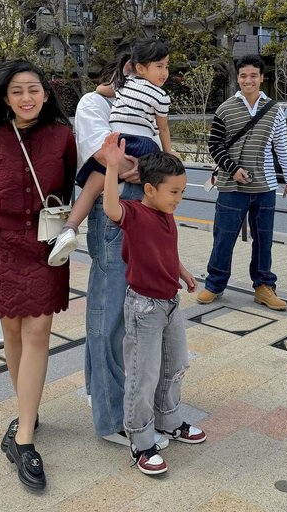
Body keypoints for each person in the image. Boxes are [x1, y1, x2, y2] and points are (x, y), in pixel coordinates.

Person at [0, 59, 77, 491]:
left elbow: (70, 185)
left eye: (33, 89)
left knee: (37, 334)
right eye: (17, 91)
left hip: (44, 244)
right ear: (5, 97)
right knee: (12, 333)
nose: (27, 98)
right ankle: (27, 410)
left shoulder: (63, 137)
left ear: (46, 94)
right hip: (2, 242)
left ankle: (25, 437)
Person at [73, 51, 169, 451]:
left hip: (137, 212)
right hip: (114, 213)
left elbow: (152, 163)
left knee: (117, 311)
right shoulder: (95, 104)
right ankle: (113, 417)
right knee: (109, 315)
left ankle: (102, 395)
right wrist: (144, 165)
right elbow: (112, 160)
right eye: (148, 68)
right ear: (130, 68)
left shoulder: (138, 104)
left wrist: (145, 165)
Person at [102, 133, 207, 475]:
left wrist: (184, 272)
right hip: (144, 308)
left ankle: (169, 420)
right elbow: (110, 207)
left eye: (182, 192)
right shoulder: (134, 213)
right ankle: (141, 439)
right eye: (174, 192)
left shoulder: (166, 215)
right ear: (150, 190)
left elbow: (166, 252)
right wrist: (112, 168)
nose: (179, 198)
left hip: (170, 303)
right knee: (143, 375)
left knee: (175, 364)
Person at [48, 38, 173, 267]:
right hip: (118, 198)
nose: (164, 73)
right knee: (110, 277)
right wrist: (156, 165)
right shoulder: (95, 102)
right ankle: (68, 230)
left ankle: (69, 228)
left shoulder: (145, 97)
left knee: (94, 182)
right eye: (159, 66)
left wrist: (151, 168)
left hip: (139, 192)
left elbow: (152, 150)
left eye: (166, 67)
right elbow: (107, 156)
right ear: (134, 68)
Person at [197, 54, 287, 310]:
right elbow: (215, 146)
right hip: (232, 187)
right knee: (224, 237)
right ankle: (214, 284)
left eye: (254, 75)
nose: (248, 80)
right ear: (238, 78)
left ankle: (264, 286)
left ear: (262, 78)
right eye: (243, 76)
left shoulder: (275, 110)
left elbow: (282, 148)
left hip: (265, 187)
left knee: (264, 239)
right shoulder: (225, 108)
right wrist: (233, 169)